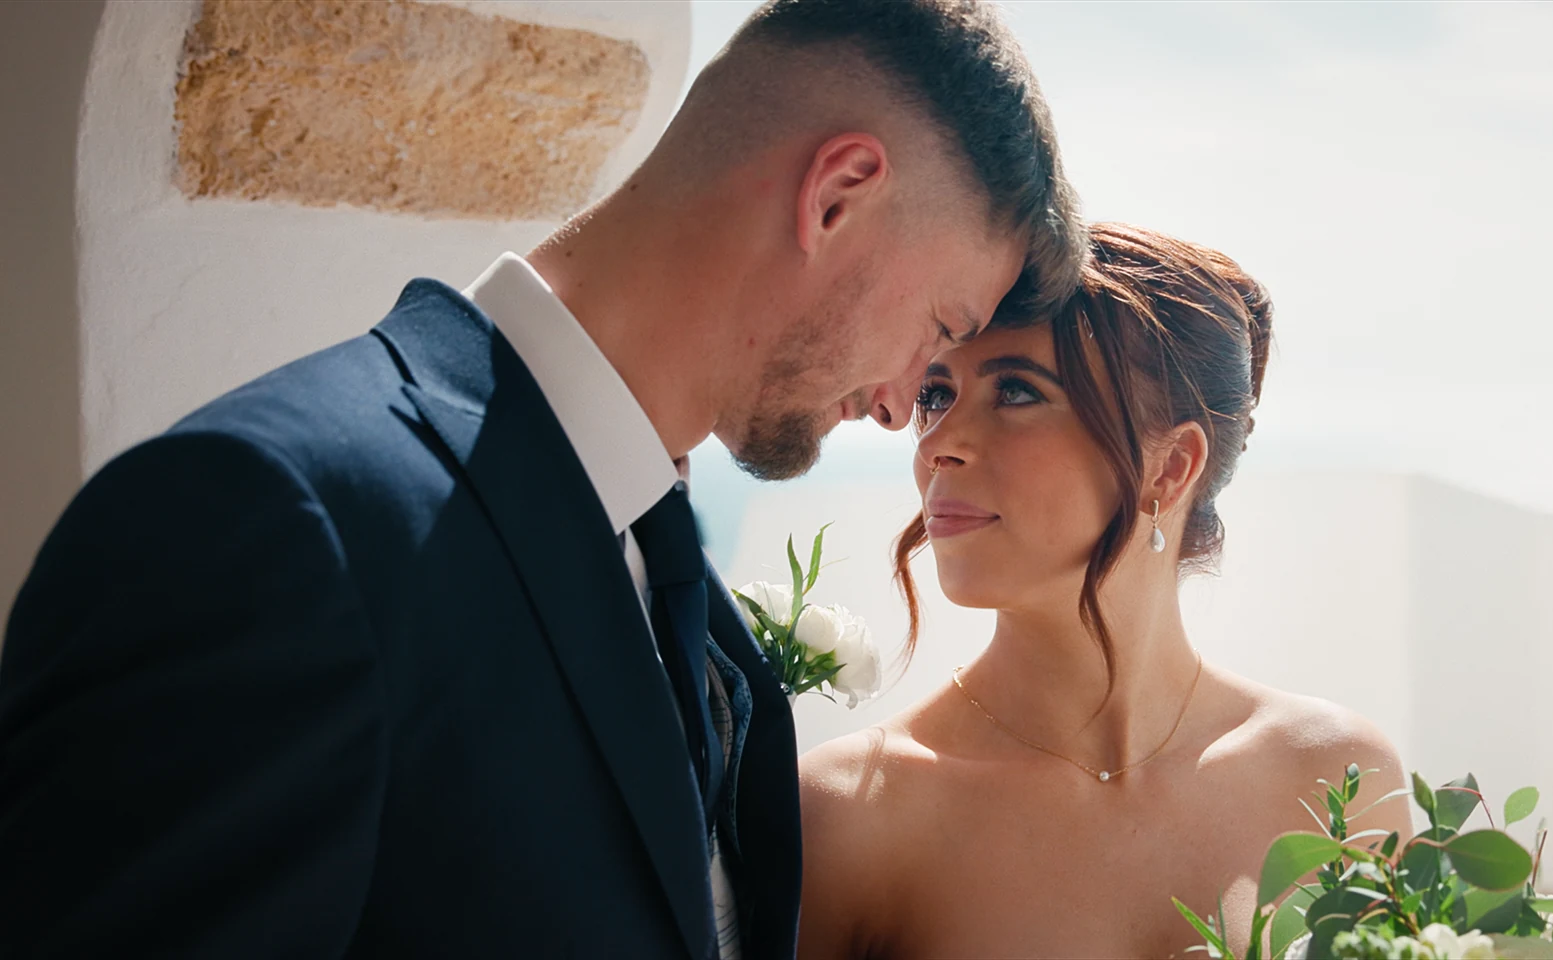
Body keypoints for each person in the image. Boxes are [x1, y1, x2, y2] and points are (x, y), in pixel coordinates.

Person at [0, 1, 1082, 956]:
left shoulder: (683, 593)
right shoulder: (270, 526)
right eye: (937, 330)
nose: (903, 403)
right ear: (837, 194)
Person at [797, 223, 1414, 959]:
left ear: (1171, 465)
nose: (937, 444)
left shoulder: (1333, 779)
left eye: (1016, 392)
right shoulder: (854, 813)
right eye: (937, 392)